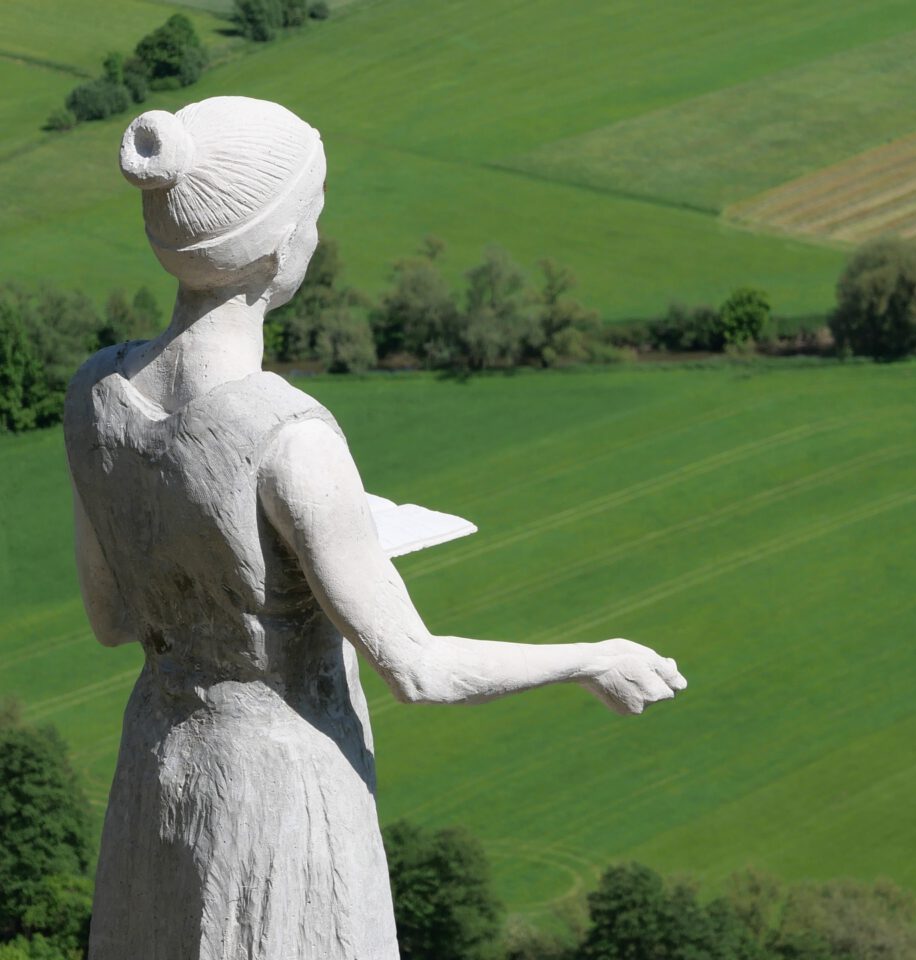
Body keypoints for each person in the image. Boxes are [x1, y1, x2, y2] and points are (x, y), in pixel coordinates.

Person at [63, 96, 686, 960]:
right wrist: (593, 659)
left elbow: (115, 619)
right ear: (281, 247)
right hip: (276, 798)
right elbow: (419, 671)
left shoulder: (94, 394)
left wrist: (293, 557)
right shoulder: (291, 435)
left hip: (159, 772)